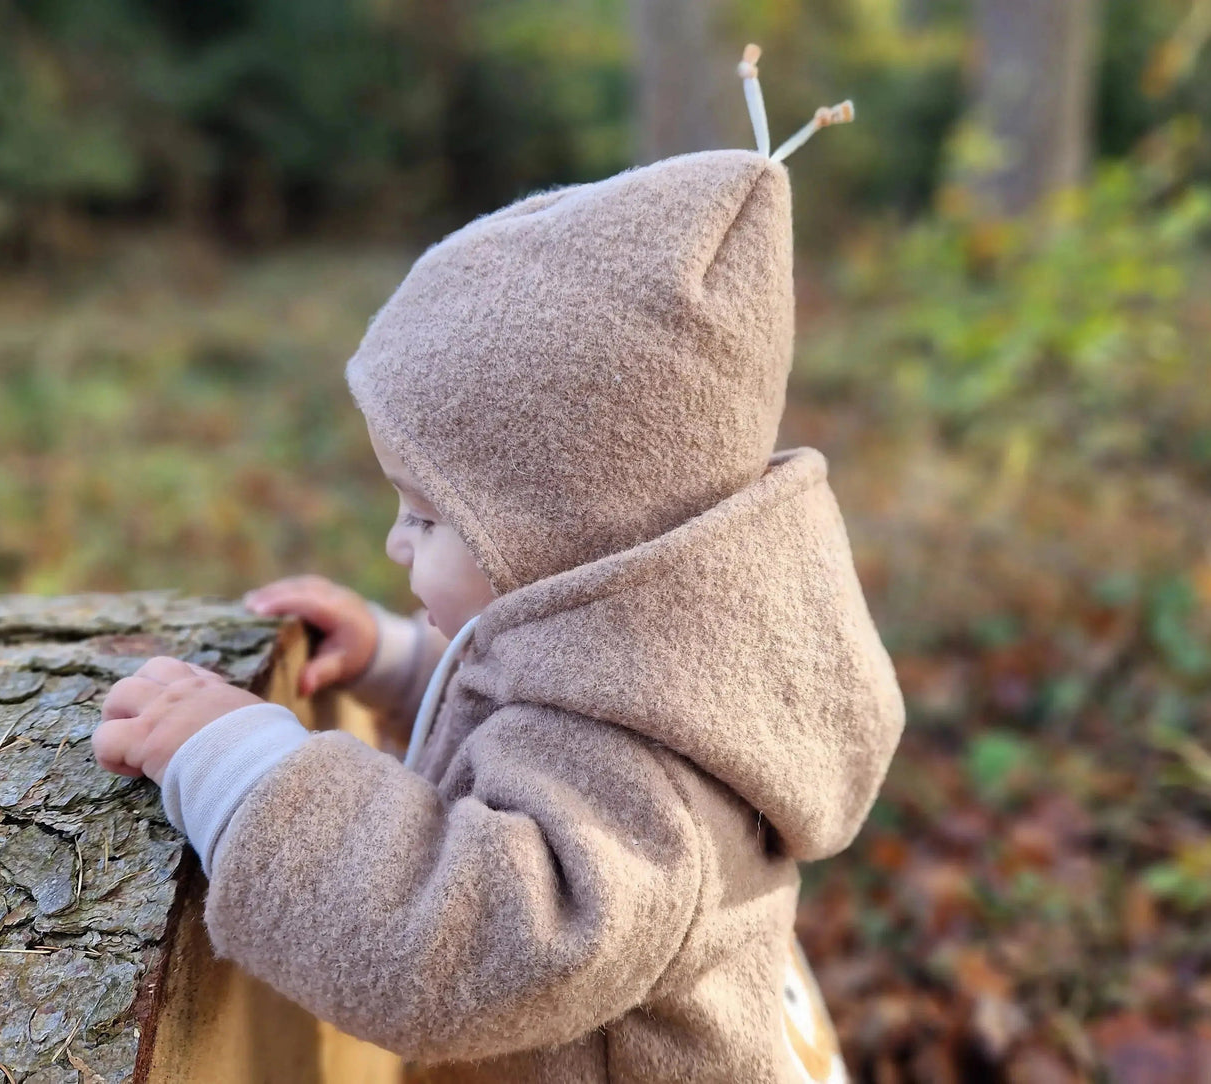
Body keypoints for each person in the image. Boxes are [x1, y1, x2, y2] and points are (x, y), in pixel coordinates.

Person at [91, 46, 904, 1084]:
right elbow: (549, 715)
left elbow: (470, 946)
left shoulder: (645, 777)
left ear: (572, 546)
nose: (395, 541)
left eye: (427, 515)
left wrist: (247, 774)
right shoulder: (665, 668)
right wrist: (403, 665)